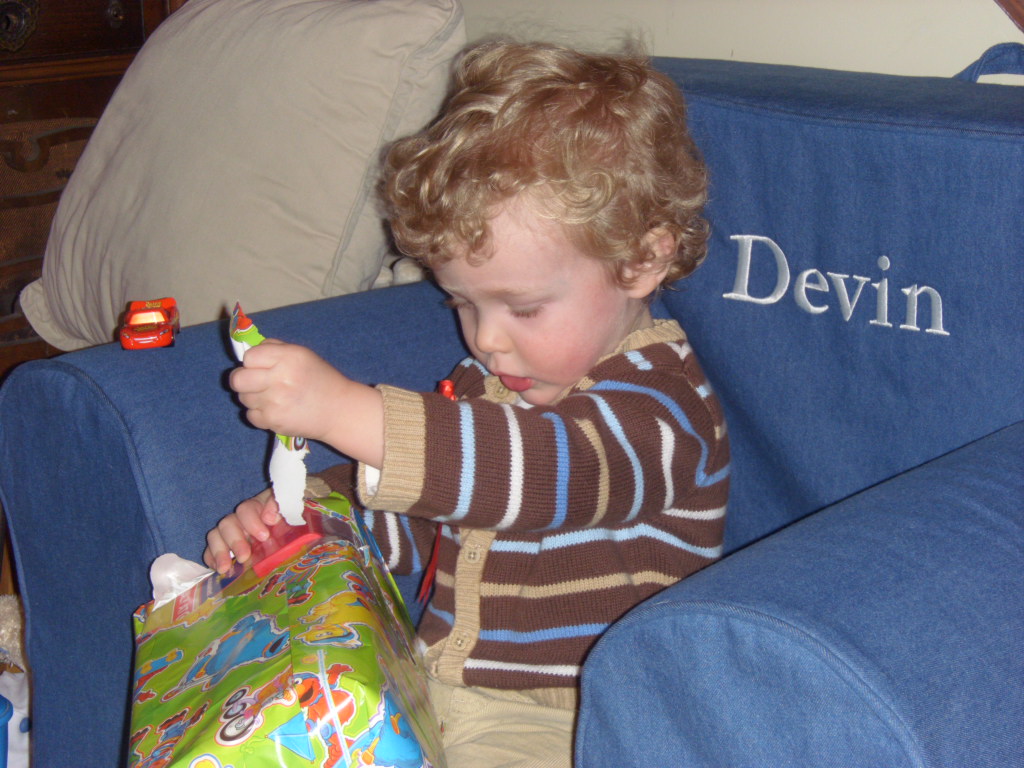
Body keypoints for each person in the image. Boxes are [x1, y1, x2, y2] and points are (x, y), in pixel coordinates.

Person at [204, 40, 730, 767]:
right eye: (462, 302)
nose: (486, 339)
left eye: (525, 308)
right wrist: (307, 516)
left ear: (642, 260)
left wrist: (345, 413)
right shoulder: (487, 387)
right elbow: (430, 521)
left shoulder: (663, 409)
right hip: (429, 684)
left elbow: (540, 473)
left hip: (574, 715)